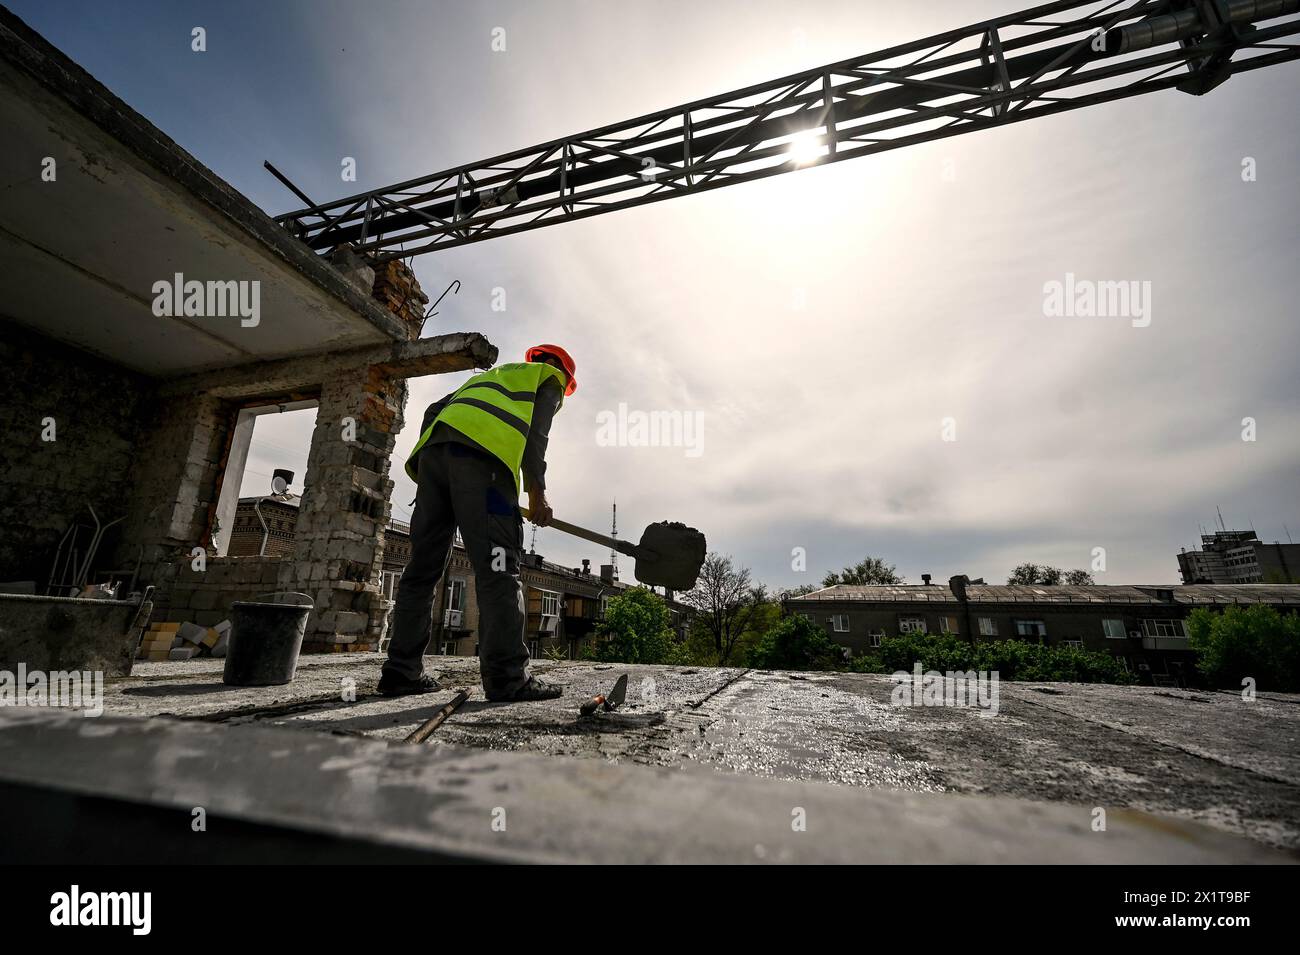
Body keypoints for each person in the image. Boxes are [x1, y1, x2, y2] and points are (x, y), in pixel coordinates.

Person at [378, 344, 577, 702]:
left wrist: (437, 469)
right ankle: (508, 678)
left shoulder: (492, 378)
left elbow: (433, 410)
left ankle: (400, 672)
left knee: (421, 570)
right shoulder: (550, 379)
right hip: (485, 464)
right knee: (499, 569)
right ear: (562, 371)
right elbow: (537, 436)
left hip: (435, 459)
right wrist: (537, 492)